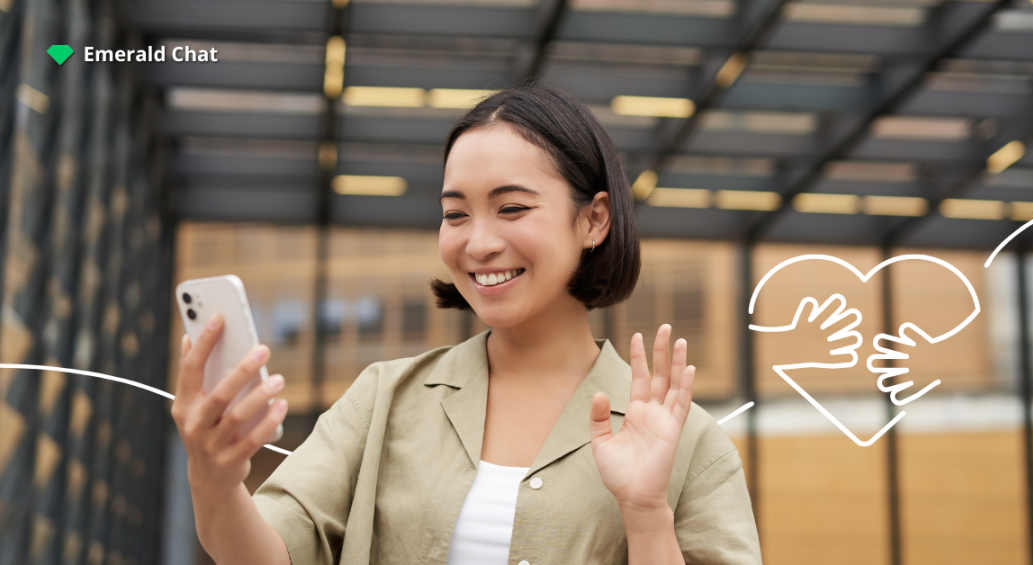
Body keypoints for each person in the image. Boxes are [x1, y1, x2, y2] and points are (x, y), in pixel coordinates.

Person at [170, 84, 761, 565]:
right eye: (455, 214)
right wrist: (215, 476)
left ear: (595, 220)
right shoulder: (384, 399)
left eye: (512, 208)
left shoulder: (691, 445)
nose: (478, 243)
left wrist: (646, 511)